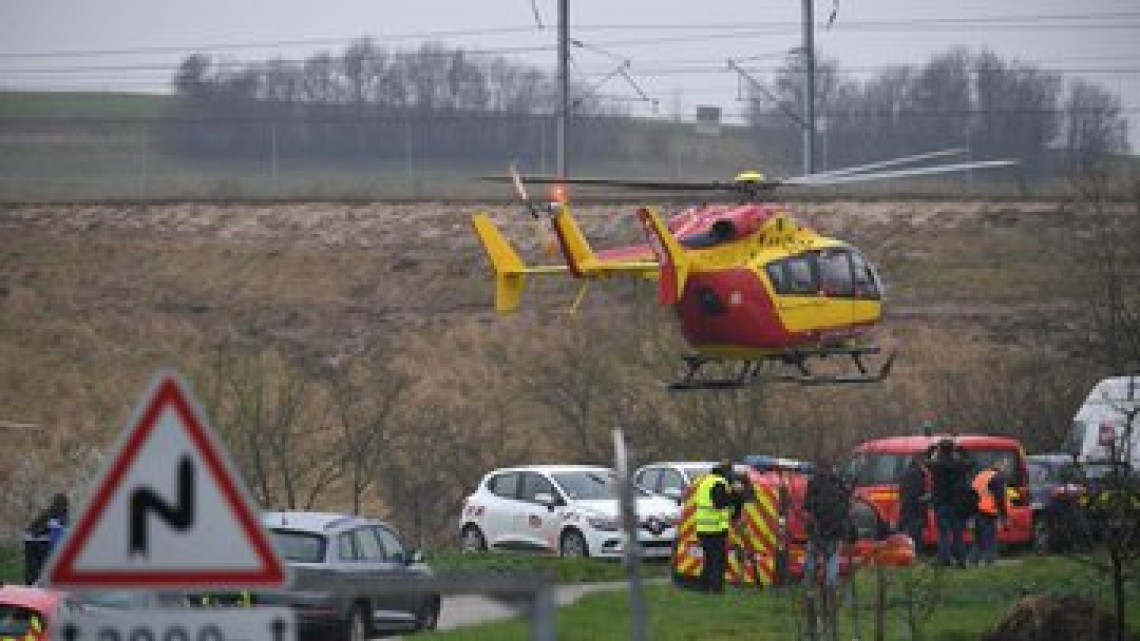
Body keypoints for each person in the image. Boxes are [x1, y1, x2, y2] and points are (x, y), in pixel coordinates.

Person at [693, 460, 743, 594]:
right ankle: (716, 590)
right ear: (727, 472)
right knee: (718, 561)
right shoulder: (719, 483)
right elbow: (719, 503)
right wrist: (735, 494)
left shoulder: (706, 481)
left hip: (704, 528)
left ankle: (704, 588)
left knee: (709, 561)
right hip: (714, 529)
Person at [802, 456, 852, 589]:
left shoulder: (814, 483)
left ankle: (808, 583)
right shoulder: (839, 483)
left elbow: (807, 508)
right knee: (832, 558)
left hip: (817, 527)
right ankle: (831, 586)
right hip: (835, 529)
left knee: (812, 555)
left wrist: (809, 522)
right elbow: (846, 506)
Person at [927, 439, 973, 567]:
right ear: (952, 450)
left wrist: (931, 450)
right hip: (957, 505)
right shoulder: (960, 465)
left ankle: (944, 559)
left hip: (941, 503)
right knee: (958, 533)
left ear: (940, 450)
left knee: (944, 534)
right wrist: (962, 451)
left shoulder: (936, 466)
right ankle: (961, 560)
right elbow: (971, 463)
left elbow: (926, 461)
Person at [970, 459, 1010, 565]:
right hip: (989, 511)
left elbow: (972, 493)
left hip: (976, 510)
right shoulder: (997, 478)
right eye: (1004, 466)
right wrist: (1004, 516)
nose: (1005, 469)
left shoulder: (981, 475)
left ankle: (973, 561)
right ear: (999, 466)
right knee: (991, 539)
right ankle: (990, 562)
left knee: (979, 539)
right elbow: (1000, 498)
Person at [23, 493, 69, 584]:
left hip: (36, 542)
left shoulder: (53, 513)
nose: (64, 507)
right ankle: (32, 585)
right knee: (35, 569)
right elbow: (39, 527)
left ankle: (31, 585)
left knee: (34, 569)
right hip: (37, 542)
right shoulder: (53, 514)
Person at [898, 452, 930, 549]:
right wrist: (925, 497)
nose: (925, 462)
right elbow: (913, 494)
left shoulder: (909, 471)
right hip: (914, 510)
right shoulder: (915, 474)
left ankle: (912, 550)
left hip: (909, 509)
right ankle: (913, 551)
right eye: (924, 460)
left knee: (912, 532)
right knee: (914, 533)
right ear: (918, 460)